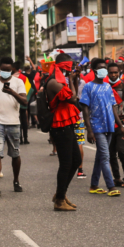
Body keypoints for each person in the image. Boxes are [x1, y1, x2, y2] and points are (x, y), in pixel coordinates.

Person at [80, 59, 124, 197]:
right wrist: (89, 130)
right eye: (101, 68)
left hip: (109, 126)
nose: (104, 70)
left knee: (100, 156)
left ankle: (94, 185)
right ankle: (111, 186)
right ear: (94, 70)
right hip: (97, 126)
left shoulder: (107, 87)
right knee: (105, 156)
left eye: (104, 68)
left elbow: (113, 107)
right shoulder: (88, 87)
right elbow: (85, 109)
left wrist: (121, 126)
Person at [45, 53, 82, 211]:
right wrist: (72, 80)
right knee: (66, 163)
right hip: (59, 126)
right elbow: (73, 98)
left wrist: (72, 79)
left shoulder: (59, 80)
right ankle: (59, 200)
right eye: (69, 67)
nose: (71, 69)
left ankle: (61, 193)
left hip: (66, 124)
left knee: (76, 160)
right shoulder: (54, 82)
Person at [0, 57, 27, 196]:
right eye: (3, 70)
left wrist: (11, 92)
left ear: (12, 69)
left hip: (14, 123)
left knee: (15, 154)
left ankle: (16, 180)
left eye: (9, 70)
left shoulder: (18, 82)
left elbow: (25, 102)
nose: (6, 72)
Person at [108, 62, 124, 187]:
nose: (113, 75)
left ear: (119, 73)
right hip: (108, 124)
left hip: (122, 123)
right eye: (111, 72)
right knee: (111, 153)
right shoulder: (105, 87)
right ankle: (116, 177)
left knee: (122, 151)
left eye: (115, 72)